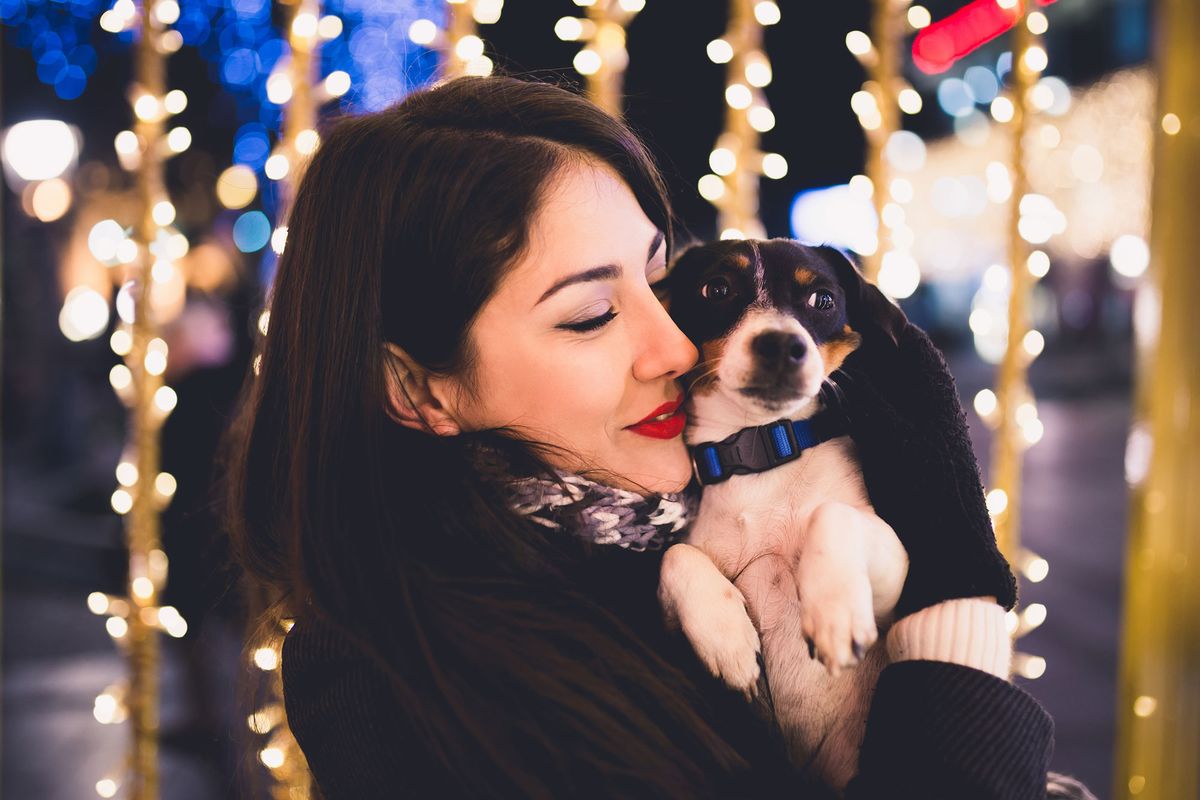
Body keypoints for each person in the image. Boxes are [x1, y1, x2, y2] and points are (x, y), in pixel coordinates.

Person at [222, 75, 1057, 798]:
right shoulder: (386, 679)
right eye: (590, 315)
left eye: (662, 283)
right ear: (417, 390)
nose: (676, 348)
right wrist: (955, 586)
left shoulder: (690, 508)